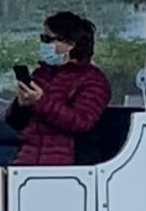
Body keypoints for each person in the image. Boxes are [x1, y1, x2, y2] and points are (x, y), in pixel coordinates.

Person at [7, 10, 112, 166]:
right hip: (27, 160)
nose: (43, 44)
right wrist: (21, 106)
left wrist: (40, 102)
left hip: (66, 164)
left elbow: (81, 122)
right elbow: (15, 122)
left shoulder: (94, 80)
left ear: (70, 44)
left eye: (48, 39)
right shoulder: (42, 74)